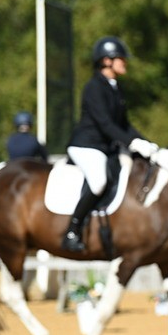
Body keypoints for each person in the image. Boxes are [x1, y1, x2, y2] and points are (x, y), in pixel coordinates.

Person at [61, 36, 158, 253]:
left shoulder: (114, 87)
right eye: (120, 58)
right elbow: (104, 123)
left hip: (104, 148)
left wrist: (146, 143)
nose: (125, 62)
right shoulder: (94, 87)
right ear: (106, 61)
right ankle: (72, 230)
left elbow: (124, 124)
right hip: (86, 146)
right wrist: (132, 143)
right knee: (98, 181)